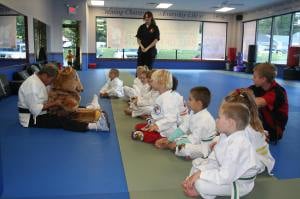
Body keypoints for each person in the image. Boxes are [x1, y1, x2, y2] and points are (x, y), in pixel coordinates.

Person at [182, 103, 258, 198]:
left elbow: (225, 177)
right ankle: (193, 185)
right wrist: (198, 173)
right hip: (225, 171)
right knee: (196, 165)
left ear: (231, 123)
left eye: (219, 117)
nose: (216, 120)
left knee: (200, 184)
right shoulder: (224, 135)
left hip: (238, 182)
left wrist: (200, 174)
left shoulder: (238, 145)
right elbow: (214, 160)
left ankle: (198, 189)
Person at [18, 64, 105, 132]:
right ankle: (93, 126)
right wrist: (55, 103)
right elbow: (35, 110)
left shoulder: (40, 80)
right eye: (51, 80)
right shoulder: (31, 86)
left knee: (68, 111)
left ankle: (91, 109)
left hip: (44, 110)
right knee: (61, 120)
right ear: (45, 75)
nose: (51, 83)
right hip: (31, 118)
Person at [154, 86, 216, 160]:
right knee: (176, 138)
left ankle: (175, 148)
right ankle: (176, 147)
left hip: (204, 145)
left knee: (184, 148)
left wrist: (174, 143)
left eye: (190, 99)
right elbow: (183, 127)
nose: (187, 101)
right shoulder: (193, 112)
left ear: (199, 103)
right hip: (195, 139)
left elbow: (194, 139)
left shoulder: (204, 119)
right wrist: (169, 139)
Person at [224, 88, 275, 174]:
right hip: (255, 156)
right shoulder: (243, 122)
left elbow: (237, 151)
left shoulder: (246, 130)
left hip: (258, 162)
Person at [131, 69, 183, 144]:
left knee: (144, 134)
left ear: (160, 83)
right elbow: (157, 113)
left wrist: (157, 126)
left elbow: (171, 119)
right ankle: (151, 133)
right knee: (138, 126)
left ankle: (162, 138)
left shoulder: (168, 98)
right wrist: (152, 124)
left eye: (152, 81)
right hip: (158, 125)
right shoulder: (162, 95)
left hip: (167, 130)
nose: (150, 83)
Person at [249, 63, 288, 142]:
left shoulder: (278, 92)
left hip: (274, 130)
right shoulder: (258, 87)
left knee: (246, 107)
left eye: (255, 77)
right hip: (262, 123)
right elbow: (242, 92)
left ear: (263, 79)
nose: (252, 79)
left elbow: (257, 102)